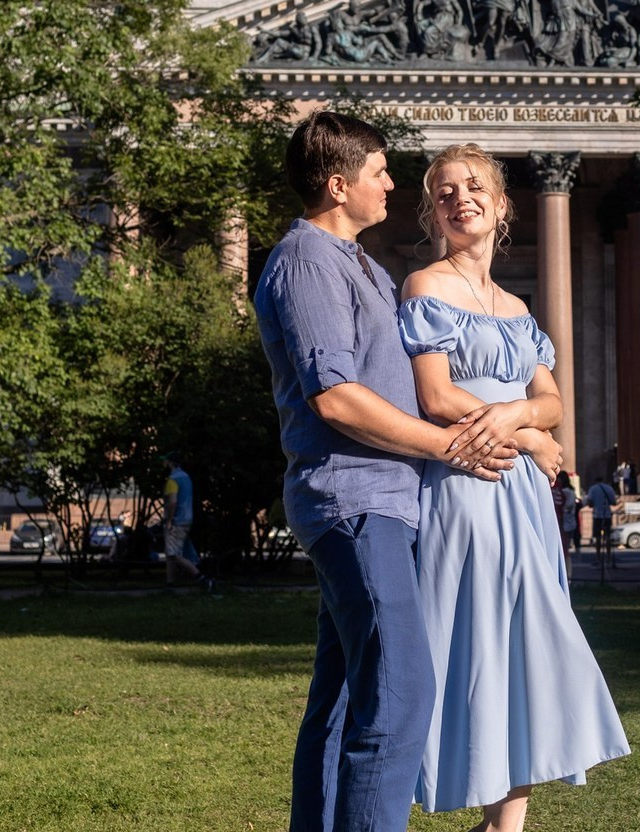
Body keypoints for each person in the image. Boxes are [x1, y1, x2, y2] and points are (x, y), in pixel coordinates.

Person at [253, 113, 508, 832]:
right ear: (339, 186)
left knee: (340, 703)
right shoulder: (306, 259)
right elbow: (335, 397)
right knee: (400, 693)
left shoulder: (358, 263)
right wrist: (444, 445)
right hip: (353, 500)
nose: (393, 184)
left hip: (385, 502)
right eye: (379, 173)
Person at [399, 143, 629, 828]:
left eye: (474, 187)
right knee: (471, 644)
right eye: (444, 191)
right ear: (432, 212)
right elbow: (436, 397)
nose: (459, 197)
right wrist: (524, 434)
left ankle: (507, 825)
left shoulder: (517, 306)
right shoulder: (425, 286)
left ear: (501, 207)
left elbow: (553, 400)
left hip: (523, 500)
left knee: (531, 646)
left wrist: (529, 417)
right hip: (467, 485)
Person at [161, 453, 213, 592]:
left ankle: (201, 578)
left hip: (176, 520)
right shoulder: (186, 477)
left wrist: (170, 520)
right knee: (171, 553)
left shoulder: (173, 480)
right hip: (187, 518)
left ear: (170, 463)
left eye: (165, 461)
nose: (163, 464)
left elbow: (172, 501)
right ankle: (170, 584)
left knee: (173, 554)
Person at [586, 472, 621, 563]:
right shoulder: (609, 488)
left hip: (597, 515)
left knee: (598, 537)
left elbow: (590, 503)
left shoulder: (592, 489)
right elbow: (613, 502)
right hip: (607, 515)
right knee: (608, 536)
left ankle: (598, 557)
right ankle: (608, 557)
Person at [552, 468, 578, 579]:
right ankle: (568, 575)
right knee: (565, 550)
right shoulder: (569, 491)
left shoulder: (562, 491)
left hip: (562, 522)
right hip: (567, 522)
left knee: (563, 550)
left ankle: (567, 574)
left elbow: (564, 506)